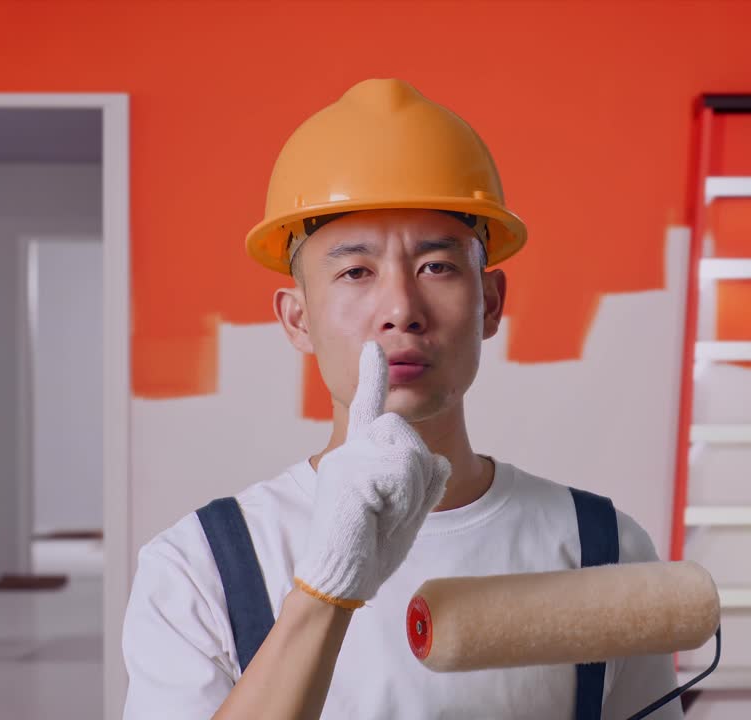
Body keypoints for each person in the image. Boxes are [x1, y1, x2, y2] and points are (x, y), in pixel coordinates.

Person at [122, 78, 683, 720]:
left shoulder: (602, 549)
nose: (401, 309)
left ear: (490, 303)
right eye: (355, 271)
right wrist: (325, 589)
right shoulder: (199, 568)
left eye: (436, 266)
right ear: (297, 319)